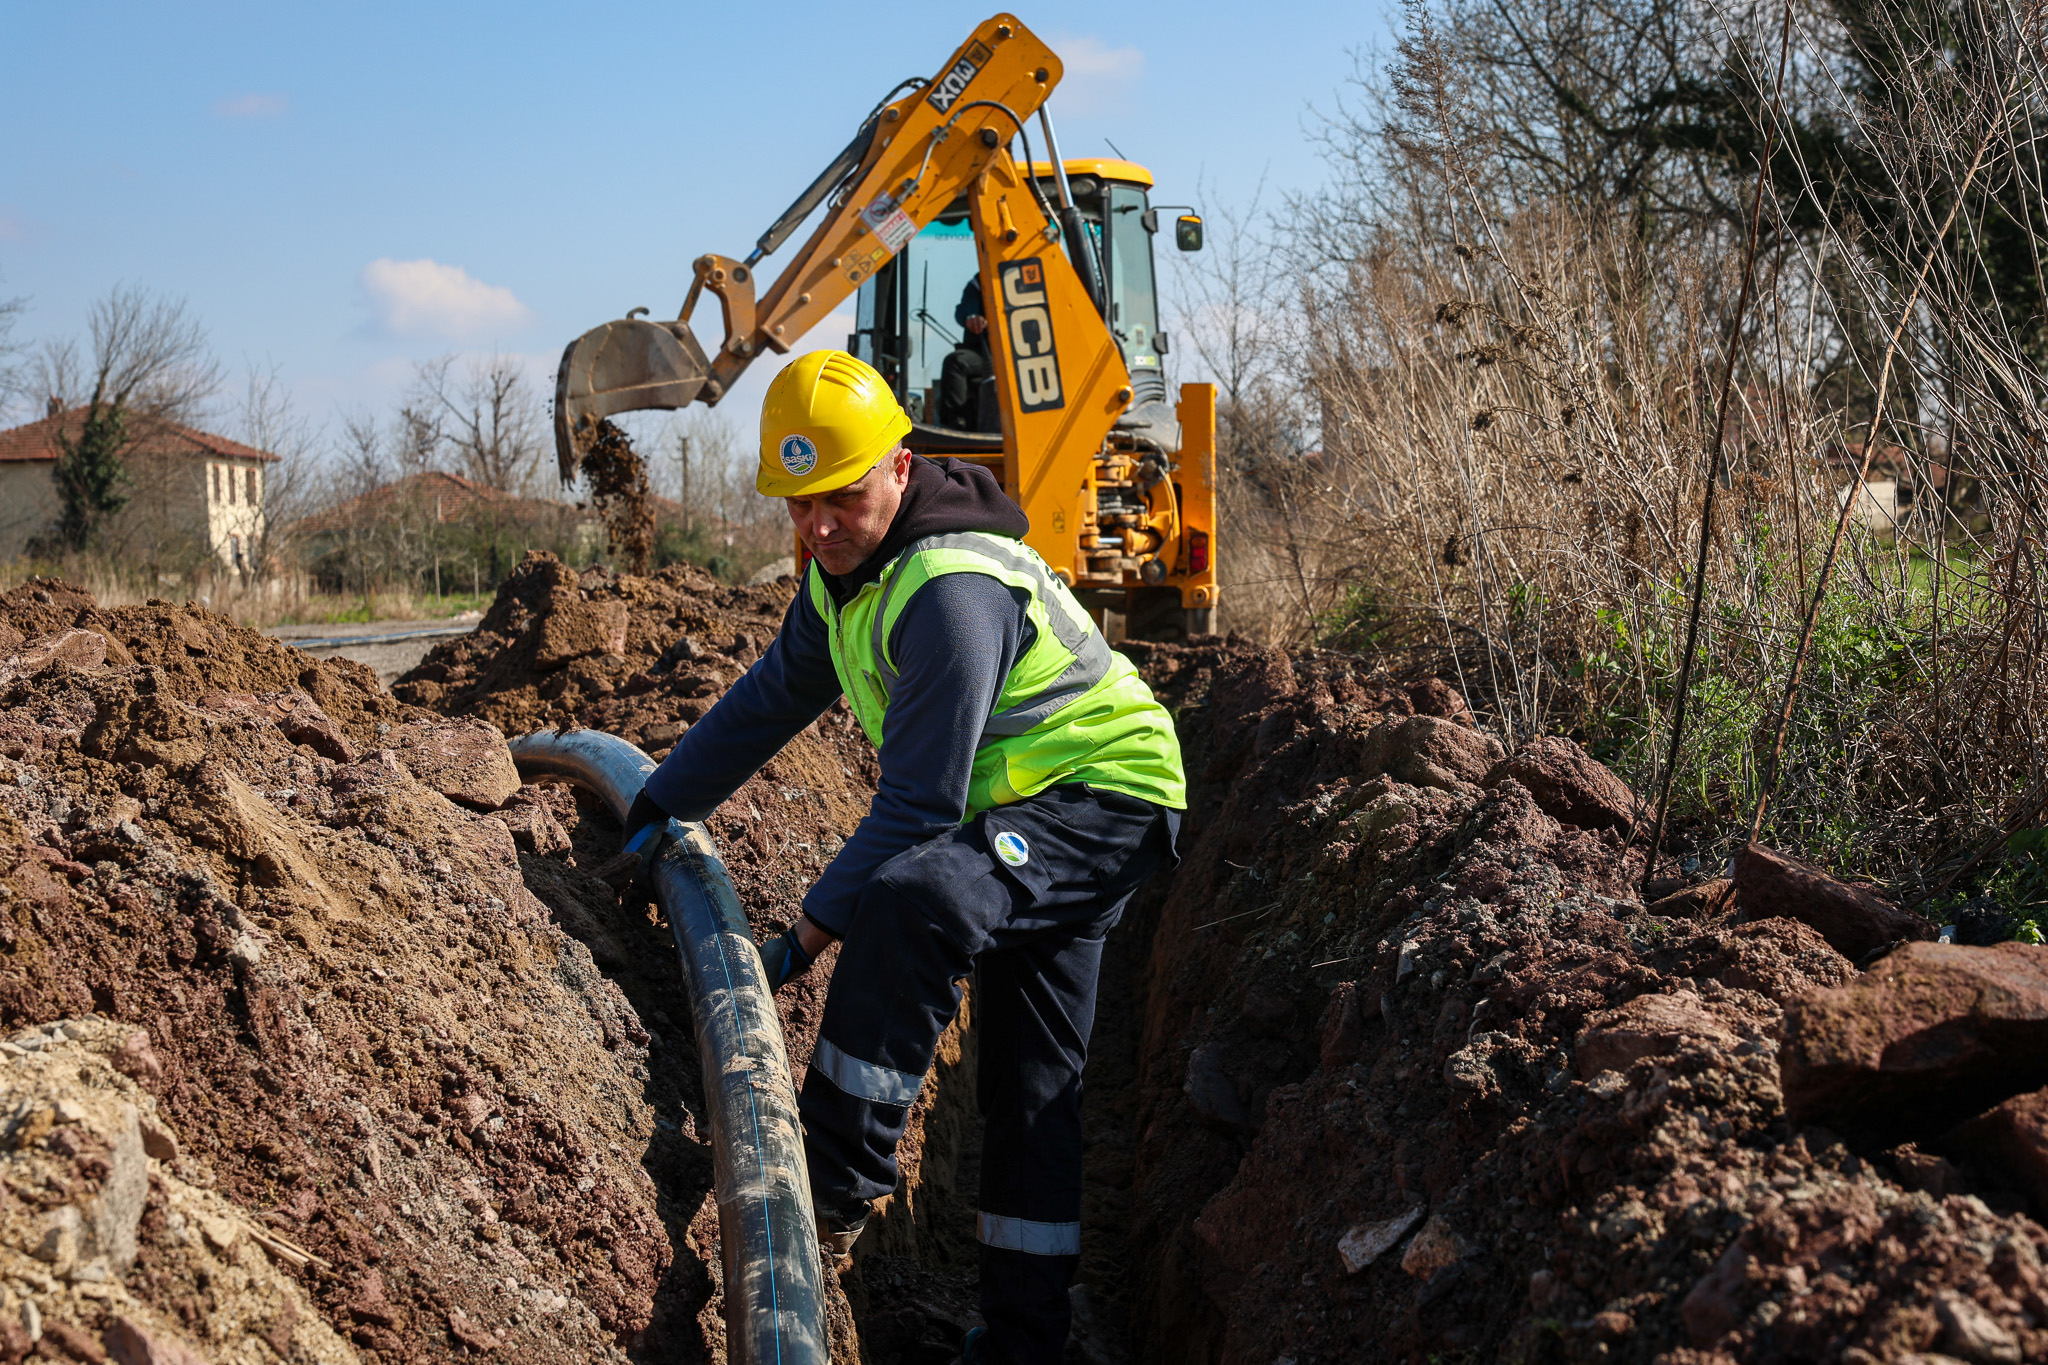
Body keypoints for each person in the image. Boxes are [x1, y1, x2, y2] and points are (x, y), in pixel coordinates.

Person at [615, 349, 1184, 1364]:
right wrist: (655, 804)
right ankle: (1025, 1344)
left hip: (1102, 798)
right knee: (1028, 1087)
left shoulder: (948, 588)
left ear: (899, 468)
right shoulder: (842, 582)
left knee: (914, 898)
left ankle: (834, 1177)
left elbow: (918, 805)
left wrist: (803, 934)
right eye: (795, 506)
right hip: (1029, 814)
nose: (816, 528)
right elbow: (769, 700)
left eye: (837, 500)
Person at [937, 274, 991, 431]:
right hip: (984, 354)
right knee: (957, 362)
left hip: (1015, 358)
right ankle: (956, 422)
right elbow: (965, 308)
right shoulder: (980, 283)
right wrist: (971, 316)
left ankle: (956, 423)